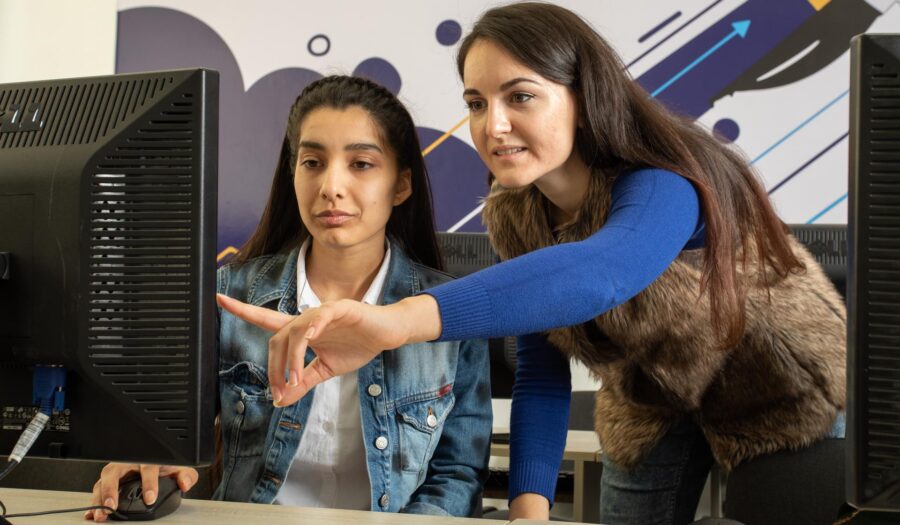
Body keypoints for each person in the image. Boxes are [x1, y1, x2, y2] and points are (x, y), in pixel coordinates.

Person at [218, 4, 847, 524]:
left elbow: (599, 274)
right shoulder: (518, 214)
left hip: (776, 387)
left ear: (582, 96)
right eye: (475, 102)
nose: (493, 125)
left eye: (521, 96)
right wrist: (528, 510)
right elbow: (542, 371)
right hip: (652, 394)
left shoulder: (666, 181)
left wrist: (399, 321)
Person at [85, 75, 492, 521]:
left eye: (360, 164)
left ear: (401, 185)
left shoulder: (450, 313)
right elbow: (171, 438)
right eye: (313, 162)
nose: (330, 187)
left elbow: (459, 473)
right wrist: (150, 458)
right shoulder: (230, 295)